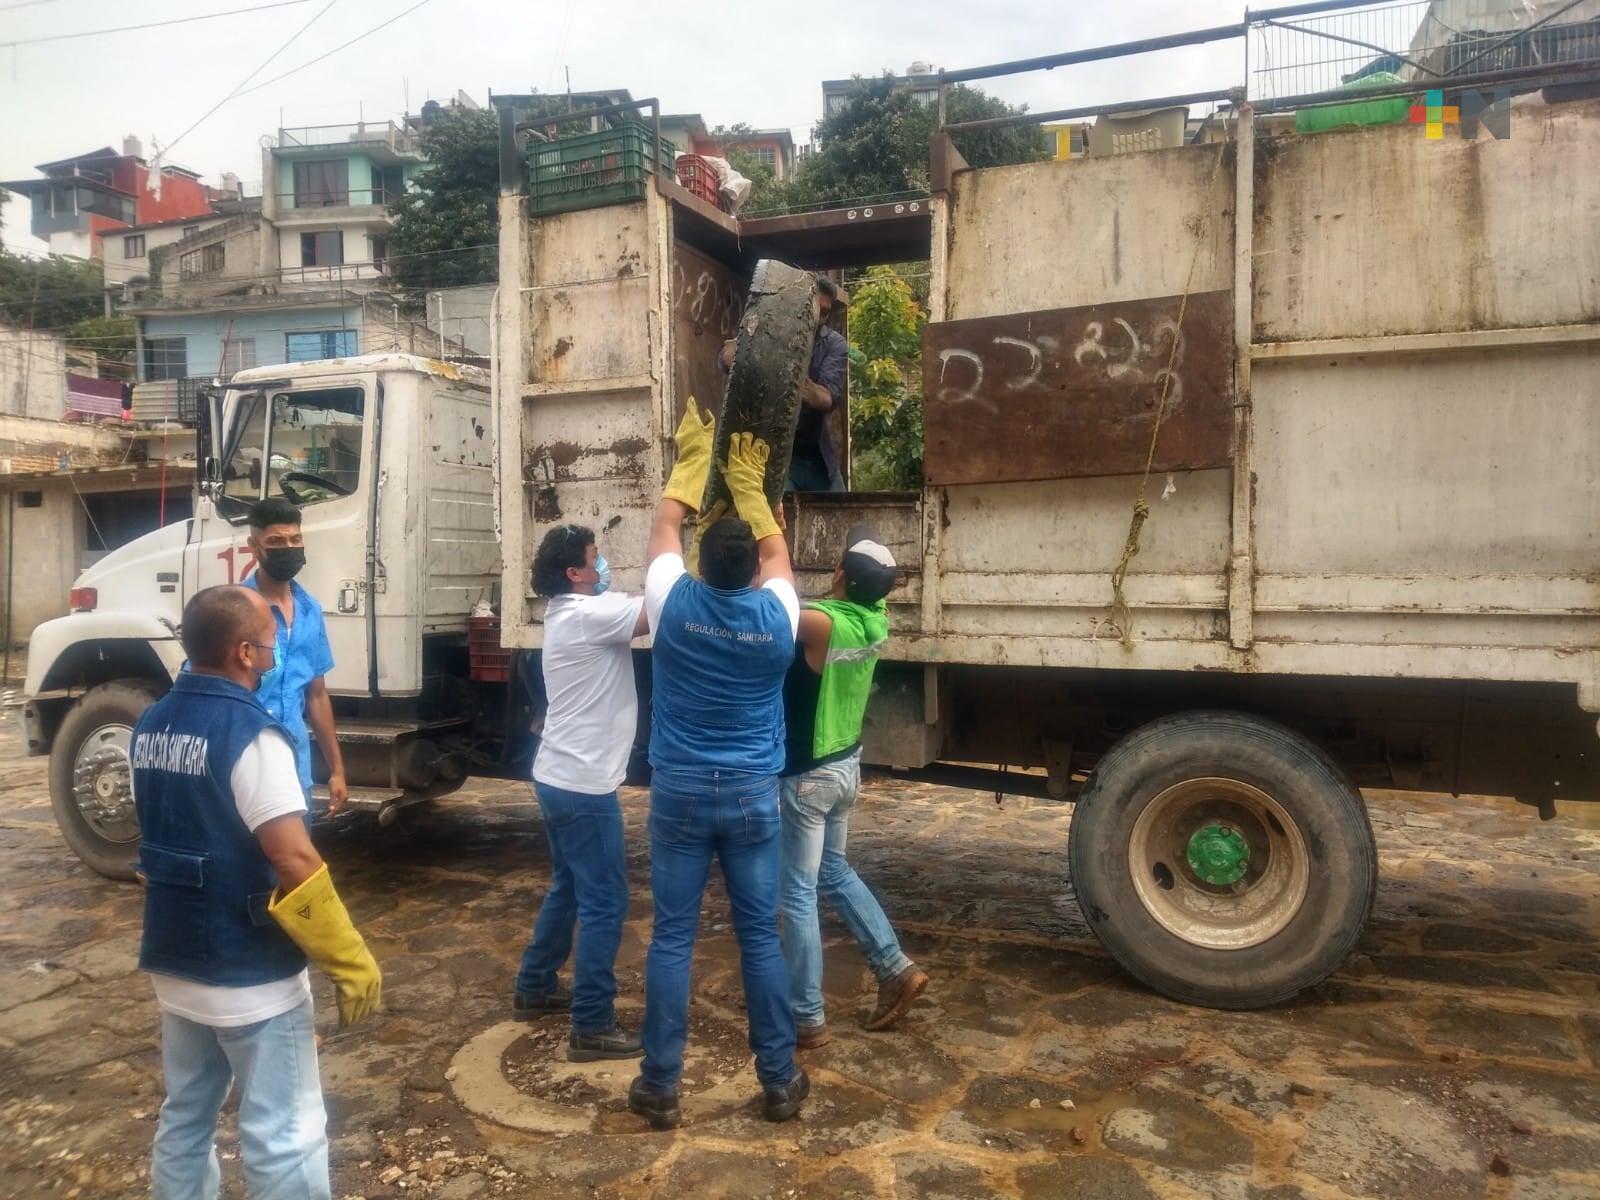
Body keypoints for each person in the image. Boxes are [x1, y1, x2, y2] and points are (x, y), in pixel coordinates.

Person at [136, 585, 381, 1200]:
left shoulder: (151, 723)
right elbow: (293, 857)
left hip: (175, 961)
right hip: (249, 974)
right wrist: (348, 958)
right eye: (270, 644)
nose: (275, 654)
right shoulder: (251, 735)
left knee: (186, 1116)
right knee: (284, 1133)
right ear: (244, 652)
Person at [627, 401, 810, 1131]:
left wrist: (693, 462)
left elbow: (664, 527)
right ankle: (778, 1081)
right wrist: (754, 491)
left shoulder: (672, 603)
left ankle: (660, 1086)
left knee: (672, 937)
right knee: (759, 936)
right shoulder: (778, 618)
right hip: (751, 795)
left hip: (678, 790)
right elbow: (779, 558)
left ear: (700, 566)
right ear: (752, 571)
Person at [779, 528, 928, 1049]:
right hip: (845, 766)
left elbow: (773, 606)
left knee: (798, 892)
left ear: (840, 574)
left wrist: (772, 534)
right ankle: (894, 967)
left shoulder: (824, 622)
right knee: (835, 871)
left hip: (810, 775)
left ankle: (806, 1016)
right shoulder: (874, 618)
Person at [511, 523, 649, 1063]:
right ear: (575, 573)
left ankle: (536, 984)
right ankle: (591, 1025)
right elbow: (660, 609)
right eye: (597, 558)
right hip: (583, 785)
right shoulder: (590, 615)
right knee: (605, 902)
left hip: (560, 777)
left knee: (569, 886)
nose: (603, 564)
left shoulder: (570, 613)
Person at [244, 497, 348, 814]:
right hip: (246, 767)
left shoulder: (310, 610)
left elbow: (316, 695)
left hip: (295, 769)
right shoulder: (234, 610)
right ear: (254, 546)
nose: (288, 548)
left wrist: (336, 770)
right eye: (276, 541)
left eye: (295, 539)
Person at [720, 275, 848, 493]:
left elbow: (827, 398)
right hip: (776, 455)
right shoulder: (772, 331)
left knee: (841, 509)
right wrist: (744, 348)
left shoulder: (834, 344)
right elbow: (726, 358)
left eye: (825, 312)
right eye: (814, 308)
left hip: (819, 457)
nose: (818, 318)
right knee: (779, 511)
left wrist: (789, 377)